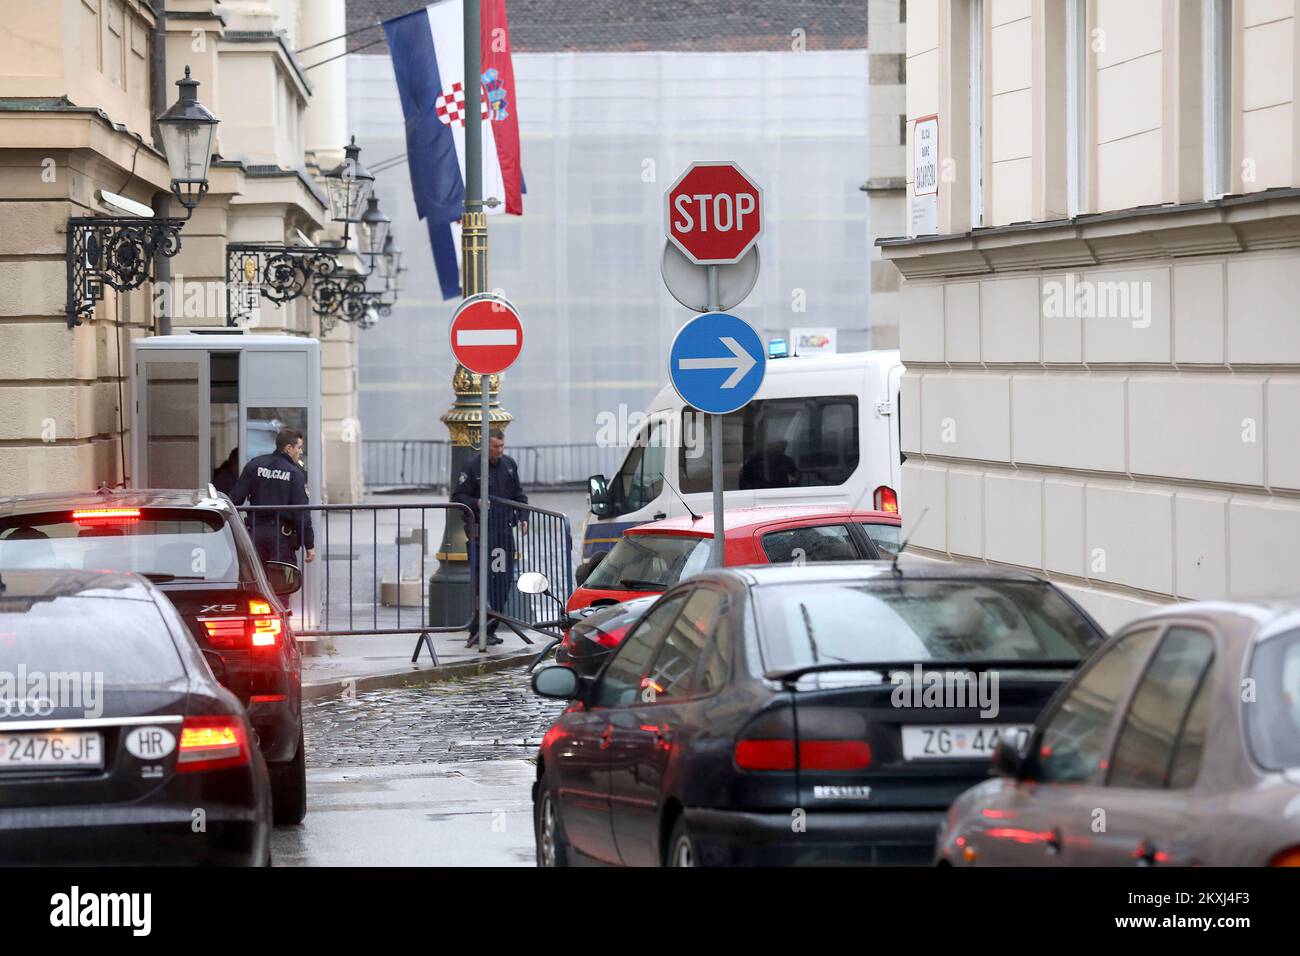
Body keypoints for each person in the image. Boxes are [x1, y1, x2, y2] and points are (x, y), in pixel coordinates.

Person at [452, 428, 528, 646]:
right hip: (481, 535)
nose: (500, 451)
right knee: (482, 583)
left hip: (503, 533)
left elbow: (519, 495)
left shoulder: (509, 465)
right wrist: (476, 503)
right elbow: (458, 496)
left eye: (502, 446)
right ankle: (478, 630)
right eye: (496, 446)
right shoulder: (472, 466)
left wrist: (524, 516)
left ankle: (490, 627)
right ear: (486, 446)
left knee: (502, 582)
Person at [229, 428, 315, 569]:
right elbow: (301, 513)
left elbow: (235, 499)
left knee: (256, 582)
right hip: (281, 538)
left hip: (255, 533)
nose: (301, 452)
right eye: (299, 448)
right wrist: (309, 544)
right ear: (288, 448)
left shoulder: (254, 465)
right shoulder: (295, 473)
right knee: (280, 584)